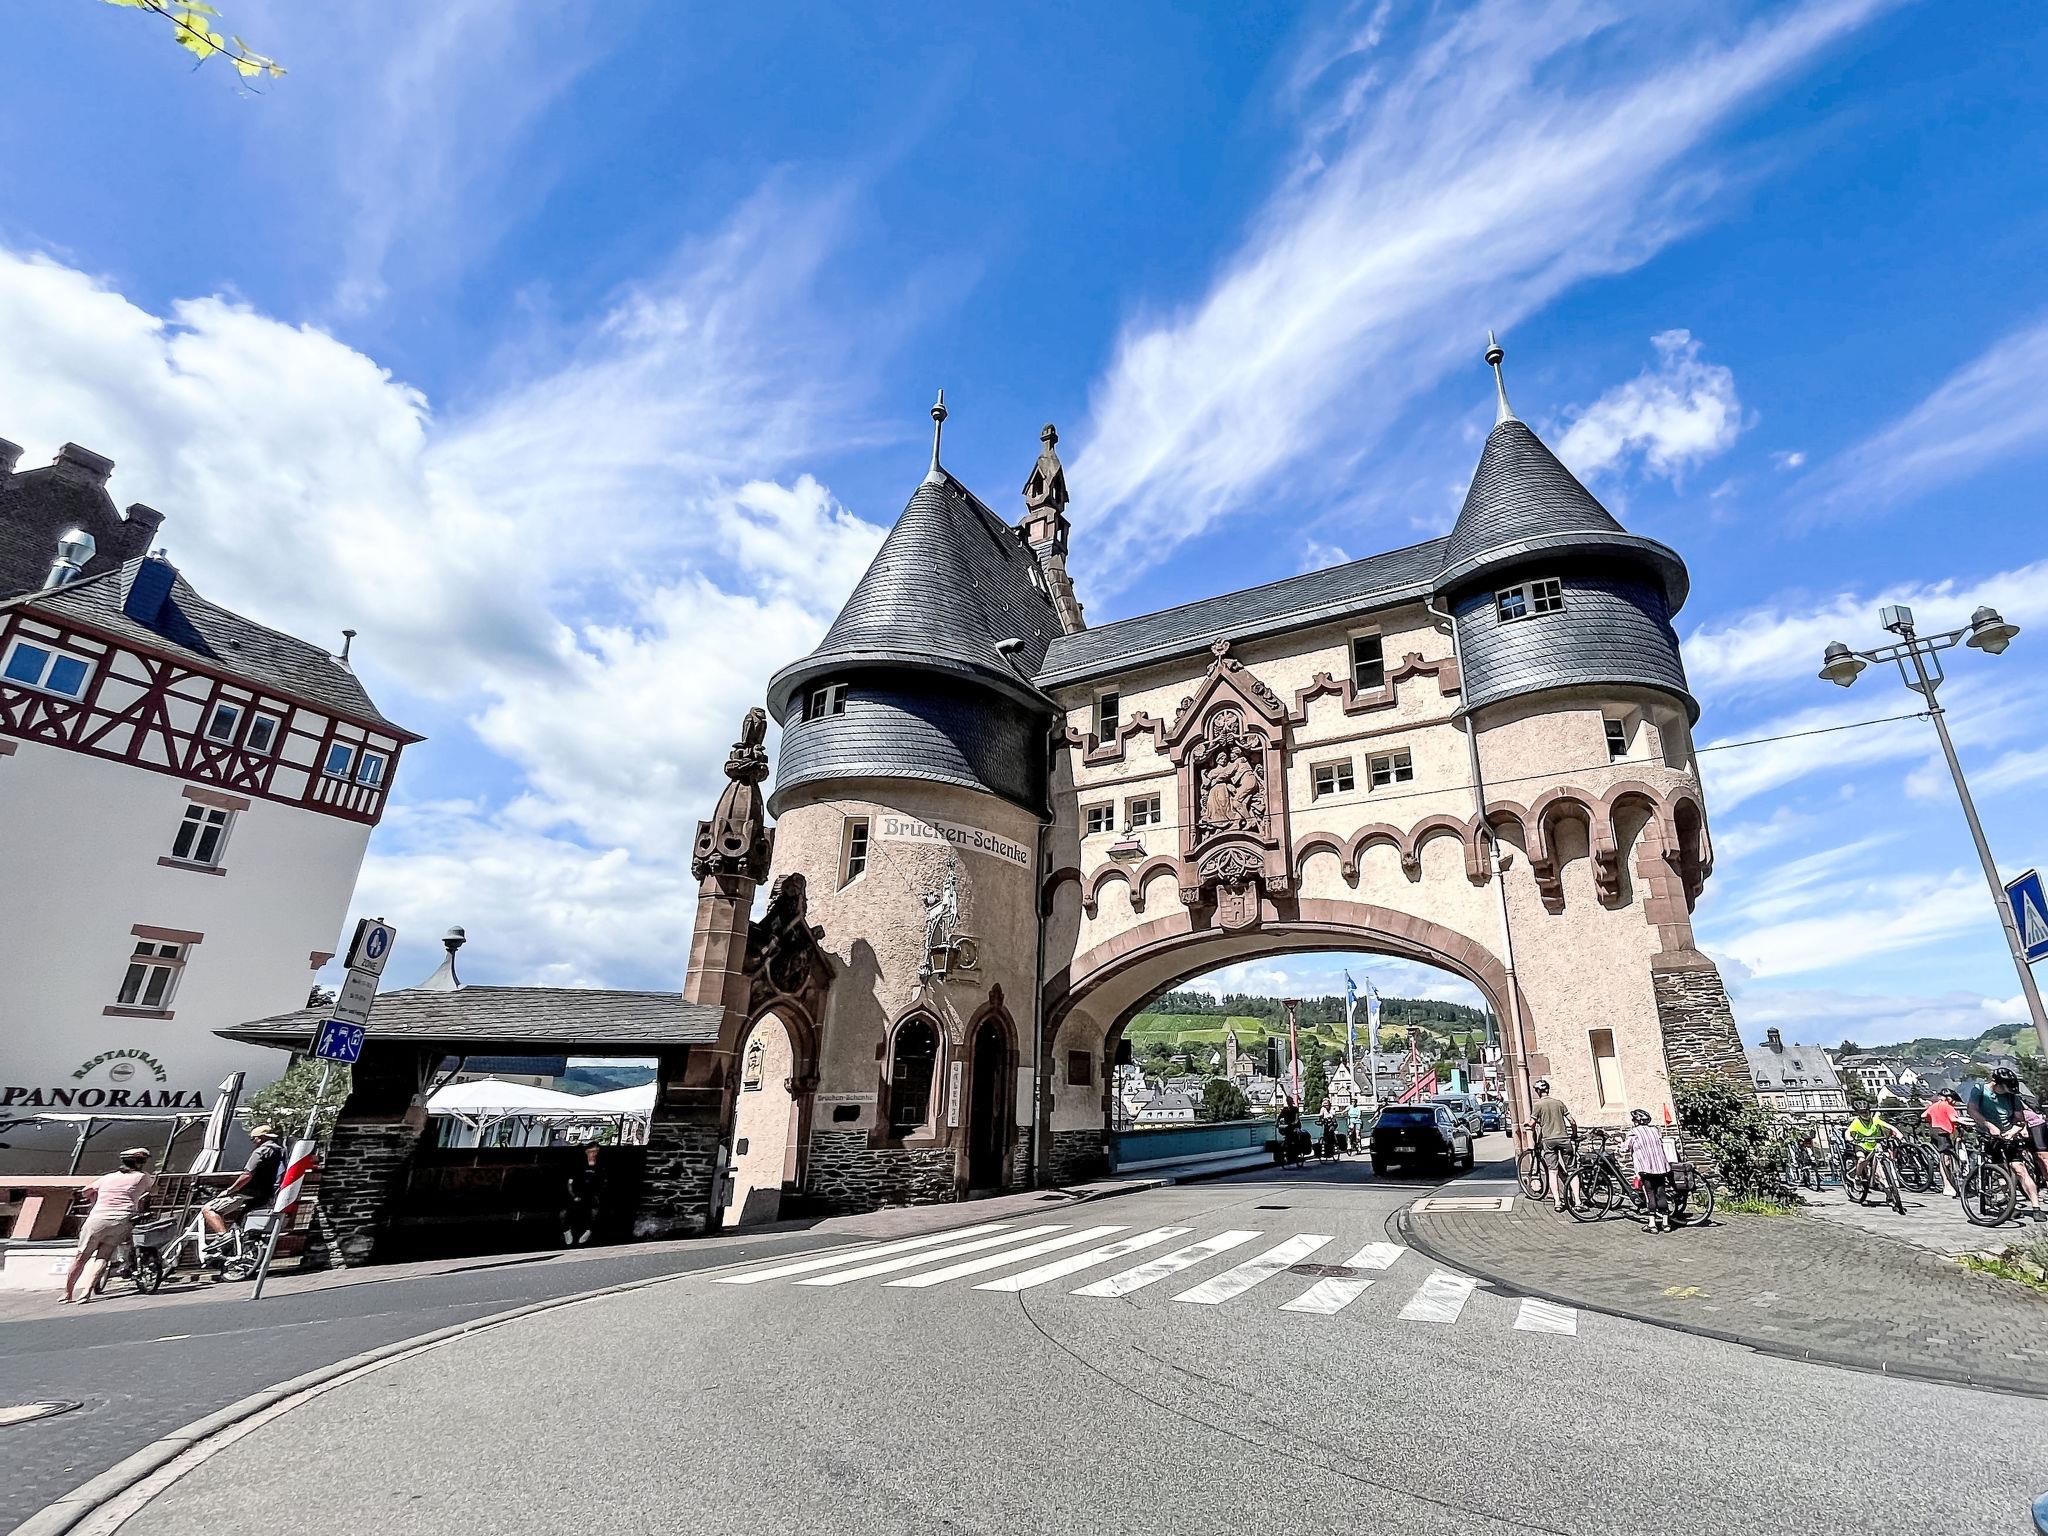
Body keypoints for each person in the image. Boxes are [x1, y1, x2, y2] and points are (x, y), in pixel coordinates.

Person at [63, 1148, 156, 1304]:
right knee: (103, 1256)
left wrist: (95, 1198)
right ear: (141, 1162)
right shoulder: (143, 1177)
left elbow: (85, 1192)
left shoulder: (107, 1177)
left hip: (97, 1219)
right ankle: (86, 1292)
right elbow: (154, 1191)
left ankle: (67, 1293)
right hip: (121, 1220)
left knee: (81, 1257)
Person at [1965, 1067, 2041, 1210]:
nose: (2007, 1092)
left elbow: (2020, 1119)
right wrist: (1989, 1125)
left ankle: (2036, 1207)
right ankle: (2010, 1204)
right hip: (1988, 1135)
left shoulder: (2012, 1095)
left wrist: (2012, 1131)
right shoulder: (1980, 1090)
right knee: (2001, 1170)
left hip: (2008, 1134)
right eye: (2004, 1088)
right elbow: (1972, 1110)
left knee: (2020, 1169)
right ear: (1995, 1083)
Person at [203, 1125, 284, 1240]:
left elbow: (247, 1175)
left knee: (209, 1209)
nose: (253, 1142)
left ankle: (224, 1238)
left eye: (253, 1139)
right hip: (266, 1194)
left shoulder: (260, 1152)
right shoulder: (281, 1151)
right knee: (239, 1223)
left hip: (248, 1192)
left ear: (260, 1138)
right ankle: (236, 1241)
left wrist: (230, 1190)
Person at [1621, 1108, 1674, 1233]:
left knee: (1649, 1194)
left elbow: (1625, 1148)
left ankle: (1652, 1224)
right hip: (1660, 1168)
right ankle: (1666, 1224)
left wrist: (1620, 1143)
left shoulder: (1634, 1132)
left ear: (1637, 1121)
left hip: (1646, 1168)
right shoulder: (1655, 1130)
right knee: (1661, 1193)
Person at [1528, 1078, 1576, 1213]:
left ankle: (1558, 1202)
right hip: (1564, 1139)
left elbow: (1532, 1123)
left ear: (1538, 1091)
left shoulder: (1538, 1105)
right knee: (1572, 1170)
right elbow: (1572, 1121)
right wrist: (1574, 1134)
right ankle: (1578, 1201)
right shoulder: (1559, 1103)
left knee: (1552, 1171)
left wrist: (1528, 1125)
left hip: (1549, 1140)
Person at [1922, 1088, 1963, 1196]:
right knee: (1946, 1160)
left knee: (1943, 1157)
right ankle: (1947, 1186)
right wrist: (1967, 1122)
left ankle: (1949, 1184)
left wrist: (1932, 1118)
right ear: (1950, 1099)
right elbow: (1953, 1119)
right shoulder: (1948, 1107)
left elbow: (1923, 1115)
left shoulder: (1934, 1105)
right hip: (1943, 1132)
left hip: (1934, 1131)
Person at [563, 1145, 602, 1246]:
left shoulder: (599, 1167)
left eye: (595, 1152)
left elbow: (601, 1183)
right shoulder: (579, 1166)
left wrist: (597, 1195)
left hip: (591, 1196)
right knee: (568, 1212)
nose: (593, 1154)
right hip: (577, 1194)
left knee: (593, 1212)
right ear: (586, 1152)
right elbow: (570, 1183)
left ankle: (588, 1231)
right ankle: (567, 1231)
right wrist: (573, 1195)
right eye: (591, 1151)